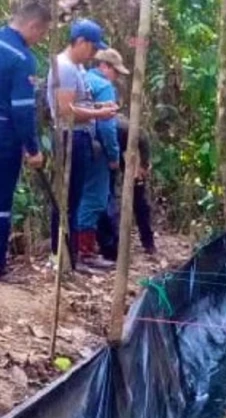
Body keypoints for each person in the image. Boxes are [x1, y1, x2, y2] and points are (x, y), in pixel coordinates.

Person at [46, 18, 117, 271]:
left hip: (80, 136)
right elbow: (66, 111)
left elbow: (79, 103)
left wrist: (99, 107)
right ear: (80, 42)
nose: (93, 53)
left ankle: (71, 257)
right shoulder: (65, 67)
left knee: (74, 200)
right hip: (70, 137)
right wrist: (99, 114)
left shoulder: (77, 68)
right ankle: (61, 256)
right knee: (67, 200)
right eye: (92, 47)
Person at [0, 1, 51, 281]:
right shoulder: (21, 57)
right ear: (33, 26)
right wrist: (33, 149)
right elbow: (22, 109)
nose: (39, 39)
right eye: (41, 34)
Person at [78, 48, 129, 268]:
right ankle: (85, 252)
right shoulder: (104, 87)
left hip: (77, 143)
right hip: (96, 148)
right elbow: (107, 127)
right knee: (95, 199)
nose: (116, 77)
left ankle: (76, 248)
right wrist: (114, 155)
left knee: (79, 195)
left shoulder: (83, 78)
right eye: (115, 71)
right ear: (105, 66)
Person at [96, 115, 156, 260]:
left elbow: (142, 135)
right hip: (105, 157)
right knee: (105, 198)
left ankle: (148, 242)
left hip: (125, 152)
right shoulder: (90, 129)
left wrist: (143, 165)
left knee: (138, 196)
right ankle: (110, 245)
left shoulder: (119, 127)